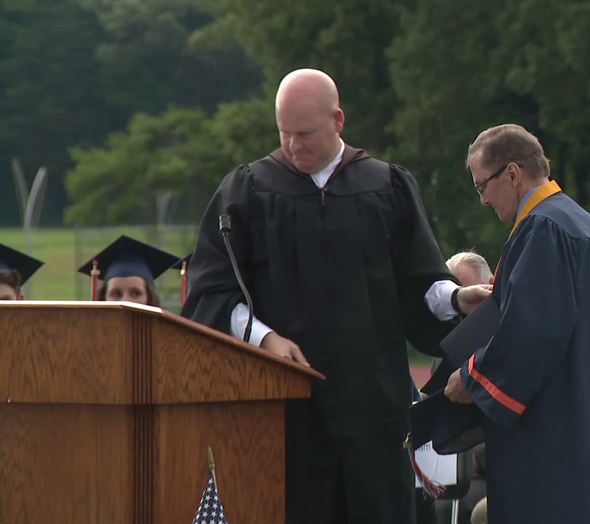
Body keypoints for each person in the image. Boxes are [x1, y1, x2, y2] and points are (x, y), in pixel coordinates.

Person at [181, 68, 490, 524]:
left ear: (337, 120)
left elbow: (419, 284)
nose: (293, 146)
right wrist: (265, 339)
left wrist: (458, 299)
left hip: (372, 406)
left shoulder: (386, 188)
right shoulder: (247, 192)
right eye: (284, 134)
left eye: (305, 134)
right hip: (287, 408)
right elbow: (213, 292)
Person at [443, 124, 590, 523]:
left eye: (482, 187)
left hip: (556, 428)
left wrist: (474, 375)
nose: (483, 200)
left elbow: (535, 332)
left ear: (512, 174)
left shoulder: (542, 229)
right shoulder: (584, 225)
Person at [432, 251, 493, 524]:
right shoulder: (444, 350)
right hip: (447, 465)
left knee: (449, 507)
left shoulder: (506, 345)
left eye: (469, 294)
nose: (463, 307)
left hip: (493, 469)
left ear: (489, 286)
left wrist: (476, 459)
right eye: (454, 298)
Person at [76, 235, 179, 307]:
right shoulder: (89, 339)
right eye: (116, 294)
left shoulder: (165, 338)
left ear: (150, 299)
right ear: (103, 300)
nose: (126, 301)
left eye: (136, 293)